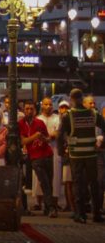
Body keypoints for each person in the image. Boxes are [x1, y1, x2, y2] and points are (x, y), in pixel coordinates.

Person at [59, 88, 105, 223]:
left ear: (71, 99)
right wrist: (101, 143)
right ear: (82, 98)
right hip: (91, 154)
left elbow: (60, 134)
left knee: (78, 184)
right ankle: (96, 213)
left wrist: (61, 151)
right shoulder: (93, 113)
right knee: (94, 183)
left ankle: (80, 214)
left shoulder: (68, 115)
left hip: (75, 155)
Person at [19, 100, 57, 217]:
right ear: (23, 110)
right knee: (44, 181)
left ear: (35, 110)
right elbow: (23, 141)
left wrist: (45, 139)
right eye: (27, 109)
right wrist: (35, 136)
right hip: (35, 157)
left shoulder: (40, 122)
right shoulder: (20, 123)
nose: (29, 111)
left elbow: (47, 139)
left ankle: (48, 207)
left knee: (49, 182)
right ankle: (51, 208)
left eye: (31, 109)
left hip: (47, 154)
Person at [34, 97, 63, 212]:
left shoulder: (57, 118)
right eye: (46, 104)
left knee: (54, 177)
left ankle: (53, 203)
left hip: (54, 151)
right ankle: (38, 202)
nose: (48, 106)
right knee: (39, 178)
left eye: (50, 104)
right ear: (42, 105)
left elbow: (56, 133)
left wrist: (46, 138)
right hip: (39, 152)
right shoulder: (37, 119)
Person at [58, 100, 75, 213]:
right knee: (67, 181)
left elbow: (73, 137)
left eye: (66, 108)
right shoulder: (60, 122)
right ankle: (70, 205)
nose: (64, 110)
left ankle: (73, 206)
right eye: (62, 108)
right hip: (64, 155)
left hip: (72, 154)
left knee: (71, 181)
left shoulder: (70, 122)